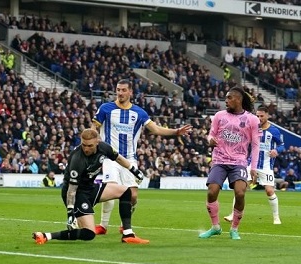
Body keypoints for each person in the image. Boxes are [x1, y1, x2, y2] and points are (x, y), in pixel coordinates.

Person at [92, 79, 192, 235]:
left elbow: (155, 129)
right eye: (118, 90)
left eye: (124, 90)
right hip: (110, 157)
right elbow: (94, 128)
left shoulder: (139, 113)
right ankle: (103, 225)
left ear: (130, 92)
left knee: (133, 196)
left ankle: (124, 224)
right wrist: (95, 143)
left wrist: (175, 131)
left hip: (129, 159)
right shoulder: (106, 108)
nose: (120, 93)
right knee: (111, 188)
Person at [32, 129, 149, 245]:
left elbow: (118, 157)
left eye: (90, 145)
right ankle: (46, 236)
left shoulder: (104, 148)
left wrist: (133, 170)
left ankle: (128, 234)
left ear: (97, 142)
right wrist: (70, 214)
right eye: (84, 145)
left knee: (125, 192)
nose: (86, 148)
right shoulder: (77, 159)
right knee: (89, 234)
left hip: (91, 188)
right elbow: (71, 191)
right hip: (77, 194)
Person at [199, 86, 261, 240]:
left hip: (239, 162)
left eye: (229, 98)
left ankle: (234, 229)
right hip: (219, 160)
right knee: (212, 192)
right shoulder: (219, 116)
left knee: (240, 193)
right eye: (225, 98)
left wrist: (253, 167)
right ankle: (215, 227)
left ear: (238, 99)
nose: (226, 101)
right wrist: (210, 140)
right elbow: (211, 134)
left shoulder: (252, 119)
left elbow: (255, 144)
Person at [224, 106, 285, 225]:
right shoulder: (252, 128)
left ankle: (276, 217)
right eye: (257, 116)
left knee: (269, 191)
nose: (259, 118)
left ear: (267, 115)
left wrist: (276, 151)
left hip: (266, 166)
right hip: (251, 164)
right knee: (240, 189)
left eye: (261, 116)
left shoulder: (274, 131)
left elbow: (282, 145)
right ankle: (233, 214)